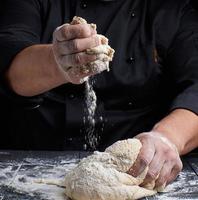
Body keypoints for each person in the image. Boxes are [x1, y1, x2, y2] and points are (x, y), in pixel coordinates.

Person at [0, 0, 198, 189]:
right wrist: (56, 62)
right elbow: (9, 62)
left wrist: (168, 137)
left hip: (133, 170)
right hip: (31, 167)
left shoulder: (171, 9)